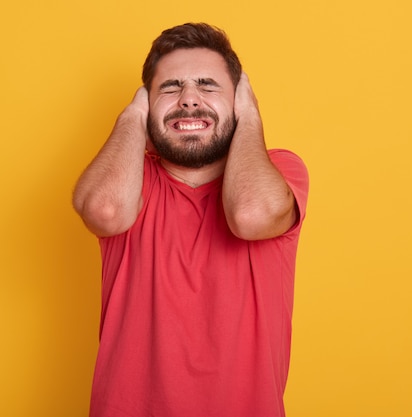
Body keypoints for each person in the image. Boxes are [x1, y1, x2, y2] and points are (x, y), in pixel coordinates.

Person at [73, 22, 309, 417]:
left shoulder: (281, 171)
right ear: (148, 102)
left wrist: (249, 117)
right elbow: (105, 212)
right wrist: (133, 115)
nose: (188, 100)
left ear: (239, 100)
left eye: (208, 85)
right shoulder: (129, 178)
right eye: (169, 87)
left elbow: (250, 216)